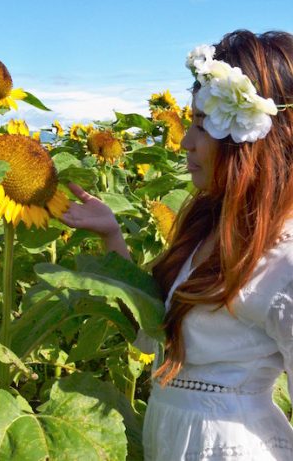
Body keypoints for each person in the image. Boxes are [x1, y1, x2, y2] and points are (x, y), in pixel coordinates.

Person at [61, 30, 293, 460]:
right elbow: (152, 340)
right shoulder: (209, 226)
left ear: (252, 142)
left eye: (202, 125)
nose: (185, 141)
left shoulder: (285, 260)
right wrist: (112, 235)